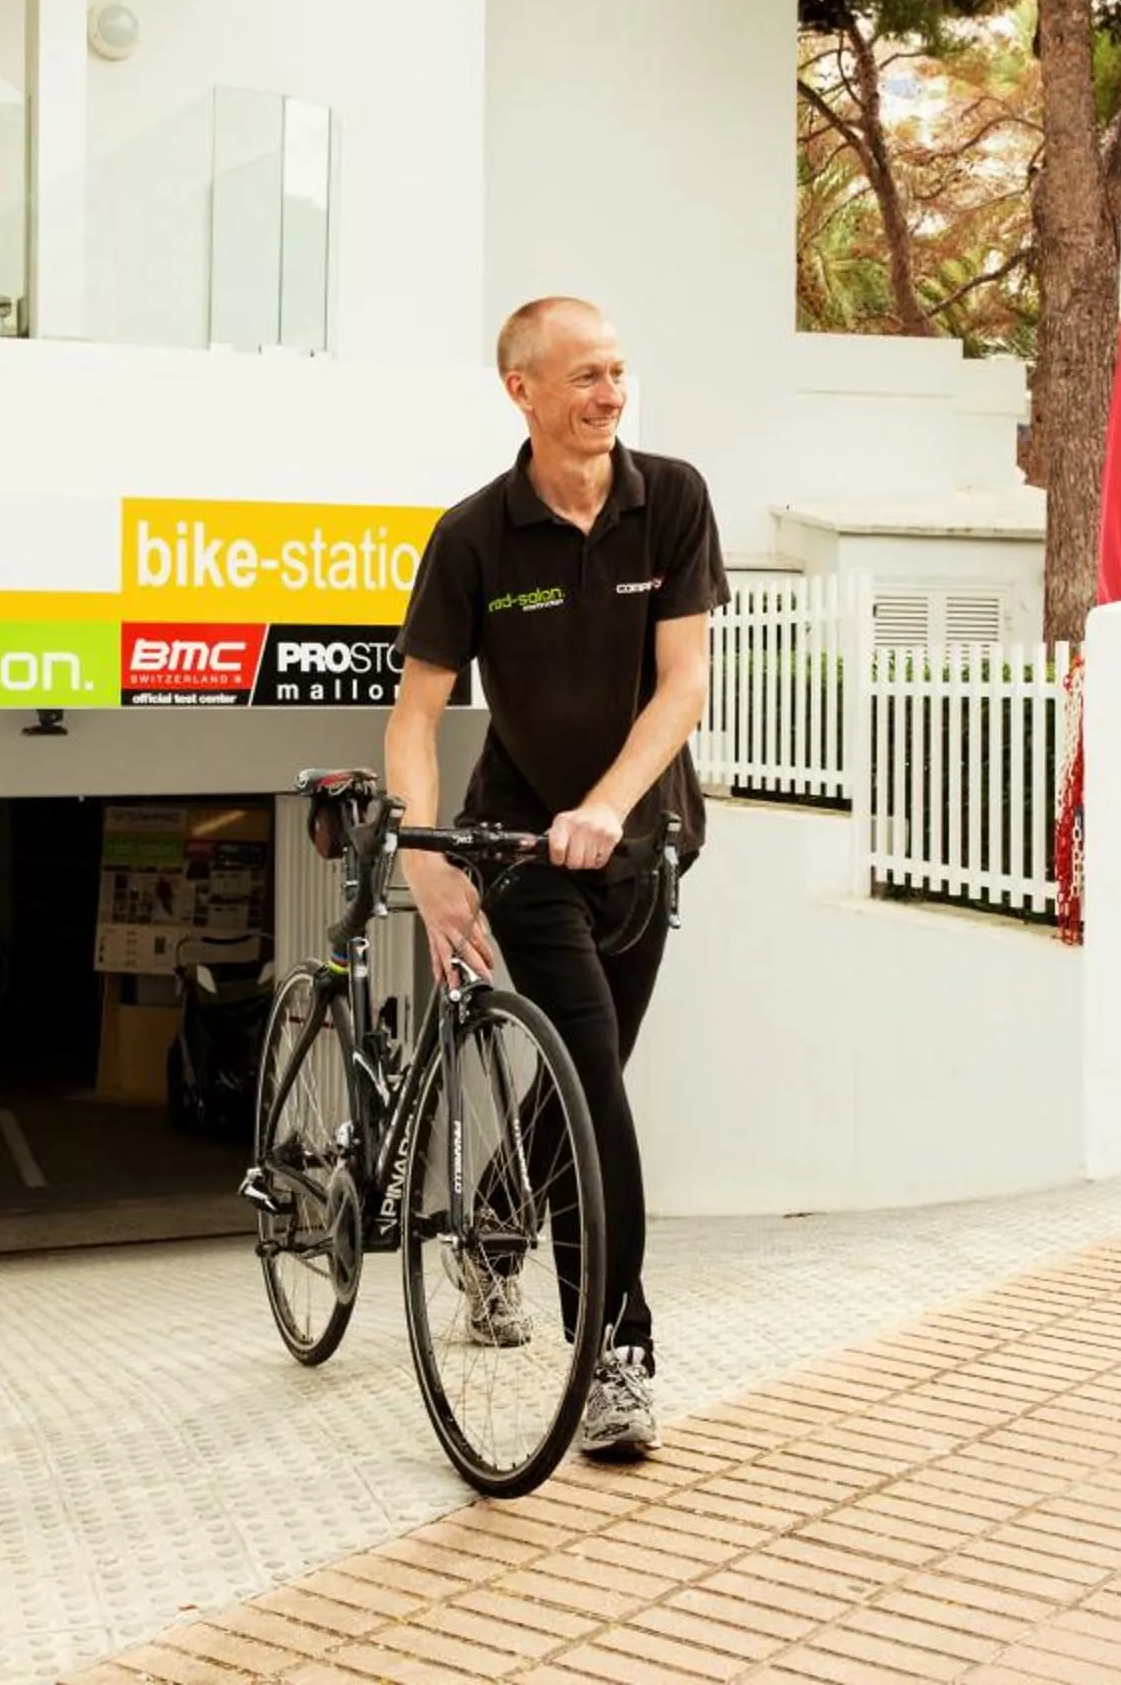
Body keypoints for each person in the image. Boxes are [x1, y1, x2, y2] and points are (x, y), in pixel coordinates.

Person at [384, 294, 725, 1460]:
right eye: (584, 375)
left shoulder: (669, 498)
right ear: (521, 389)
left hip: (638, 847)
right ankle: (614, 1348)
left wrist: (613, 805)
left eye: (619, 370)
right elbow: (416, 718)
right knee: (598, 1094)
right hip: (526, 853)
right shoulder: (475, 535)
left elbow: (682, 684)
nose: (610, 393)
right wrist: (426, 860)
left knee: (588, 1081)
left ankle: (490, 1224)